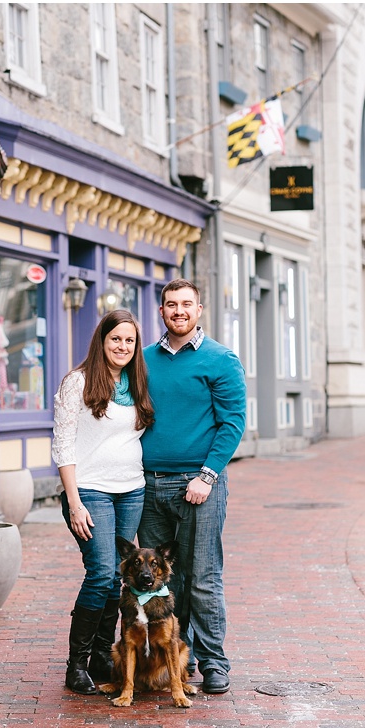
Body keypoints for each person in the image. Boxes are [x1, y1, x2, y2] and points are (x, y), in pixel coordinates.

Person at [138, 278, 246, 695]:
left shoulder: (221, 359)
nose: (178, 311)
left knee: (202, 576)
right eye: (170, 304)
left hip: (199, 485)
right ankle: (178, 659)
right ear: (161, 312)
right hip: (149, 487)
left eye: (186, 304)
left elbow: (232, 423)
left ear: (199, 309)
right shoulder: (143, 360)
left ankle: (215, 661)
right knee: (163, 580)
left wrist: (206, 475)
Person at [52, 309, 155, 695]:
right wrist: (74, 502)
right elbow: (62, 444)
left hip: (132, 490)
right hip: (90, 490)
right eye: (116, 339)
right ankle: (75, 665)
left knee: (117, 577)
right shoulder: (77, 383)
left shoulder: (138, 383)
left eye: (129, 340)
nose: (123, 346)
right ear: (102, 340)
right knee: (100, 573)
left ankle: (99, 657)